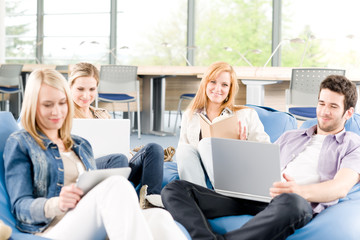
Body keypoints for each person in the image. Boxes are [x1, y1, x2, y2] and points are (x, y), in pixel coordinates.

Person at [162, 75, 360, 240]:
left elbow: (340, 188)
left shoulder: (352, 144)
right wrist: (242, 148)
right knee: (175, 189)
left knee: (293, 203)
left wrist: (299, 190)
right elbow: (263, 165)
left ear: (348, 112)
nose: (324, 111)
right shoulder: (291, 136)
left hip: (294, 202)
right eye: (321, 103)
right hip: (258, 196)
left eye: (333, 106)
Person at [3, 68, 186, 240]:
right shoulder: (21, 142)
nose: (57, 111)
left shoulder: (80, 144)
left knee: (159, 216)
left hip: (89, 217)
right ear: (33, 106)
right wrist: (56, 203)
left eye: (62, 103)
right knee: (116, 184)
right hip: (51, 227)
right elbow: (20, 206)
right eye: (47, 105)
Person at [68, 62, 164, 207]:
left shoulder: (102, 114)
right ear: (70, 87)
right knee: (118, 158)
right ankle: (119, 205)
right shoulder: (65, 115)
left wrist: (129, 153)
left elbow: (115, 144)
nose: (86, 95)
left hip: (117, 164)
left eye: (92, 89)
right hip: (86, 169)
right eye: (80, 89)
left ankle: (150, 201)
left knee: (154, 148)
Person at [176, 61, 270, 187]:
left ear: (230, 90)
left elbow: (266, 152)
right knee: (184, 149)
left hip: (234, 168)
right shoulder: (190, 115)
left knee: (206, 144)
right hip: (199, 168)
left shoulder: (247, 114)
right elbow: (184, 153)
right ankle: (197, 197)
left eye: (224, 85)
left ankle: (227, 193)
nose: (217, 89)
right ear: (205, 83)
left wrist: (244, 146)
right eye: (213, 82)